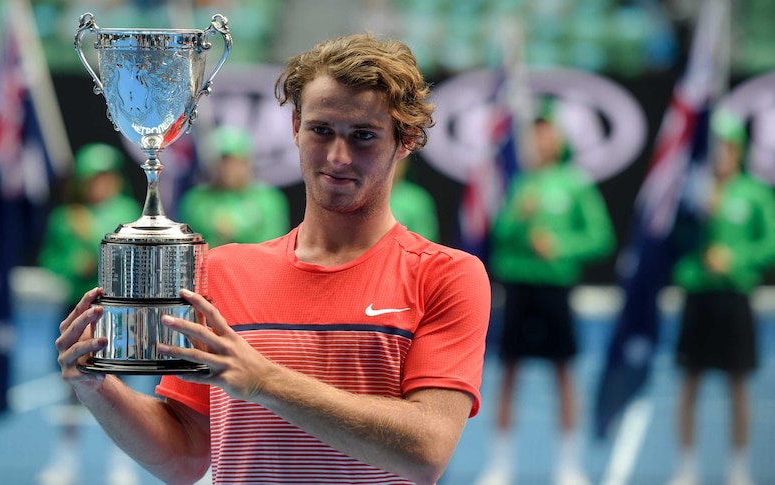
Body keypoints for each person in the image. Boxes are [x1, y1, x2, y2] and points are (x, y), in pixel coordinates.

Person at [54, 33, 491, 484]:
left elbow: (428, 449)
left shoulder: (447, 276)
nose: (338, 157)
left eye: (363, 136)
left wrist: (266, 381)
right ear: (296, 126)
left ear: (406, 140)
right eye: (322, 130)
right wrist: (98, 387)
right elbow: (183, 456)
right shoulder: (221, 272)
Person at [477, 102, 615, 485]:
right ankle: (499, 465)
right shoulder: (518, 183)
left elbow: (600, 238)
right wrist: (519, 219)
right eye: (536, 132)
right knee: (508, 374)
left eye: (547, 131)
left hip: (555, 289)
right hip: (519, 289)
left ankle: (568, 465)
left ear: (558, 137)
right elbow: (498, 238)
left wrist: (560, 246)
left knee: (564, 374)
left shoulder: (576, 183)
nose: (542, 139)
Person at [666, 110, 775, 485]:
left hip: (735, 298)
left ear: (739, 149)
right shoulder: (691, 191)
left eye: (728, 146)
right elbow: (670, 244)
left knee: (739, 383)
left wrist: (735, 259)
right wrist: (697, 238)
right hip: (698, 296)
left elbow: (770, 244)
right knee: (689, 382)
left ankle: (739, 466)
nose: (721, 154)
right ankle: (686, 466)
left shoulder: (755, 194)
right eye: (716, 147)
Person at [36, 143, 143, 485]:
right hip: (75, 312)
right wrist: (72, 266)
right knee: (72, 385)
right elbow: (51, 260)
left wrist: (96, 265)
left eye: (107, 176)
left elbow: (134, 260)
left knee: (120, 388)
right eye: (94, 177)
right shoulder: (65, 218)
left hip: (117, 313)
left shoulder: (128, 211)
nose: (101, 183)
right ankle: (65, 459)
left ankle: (121, 462)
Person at [178, 125, 290, 248]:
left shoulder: (269, 198)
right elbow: (188, 248)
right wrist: (219, 237)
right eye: (223, 161)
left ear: (247, 162)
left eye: (235, 161)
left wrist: (236, 233)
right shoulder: (195, 199)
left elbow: (273, 246)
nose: (228, 169)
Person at [390, 156, 439, 241]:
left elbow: (426, 241)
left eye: (398, 161)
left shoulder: (418, 199)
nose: (393, 166)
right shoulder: (367, 194)